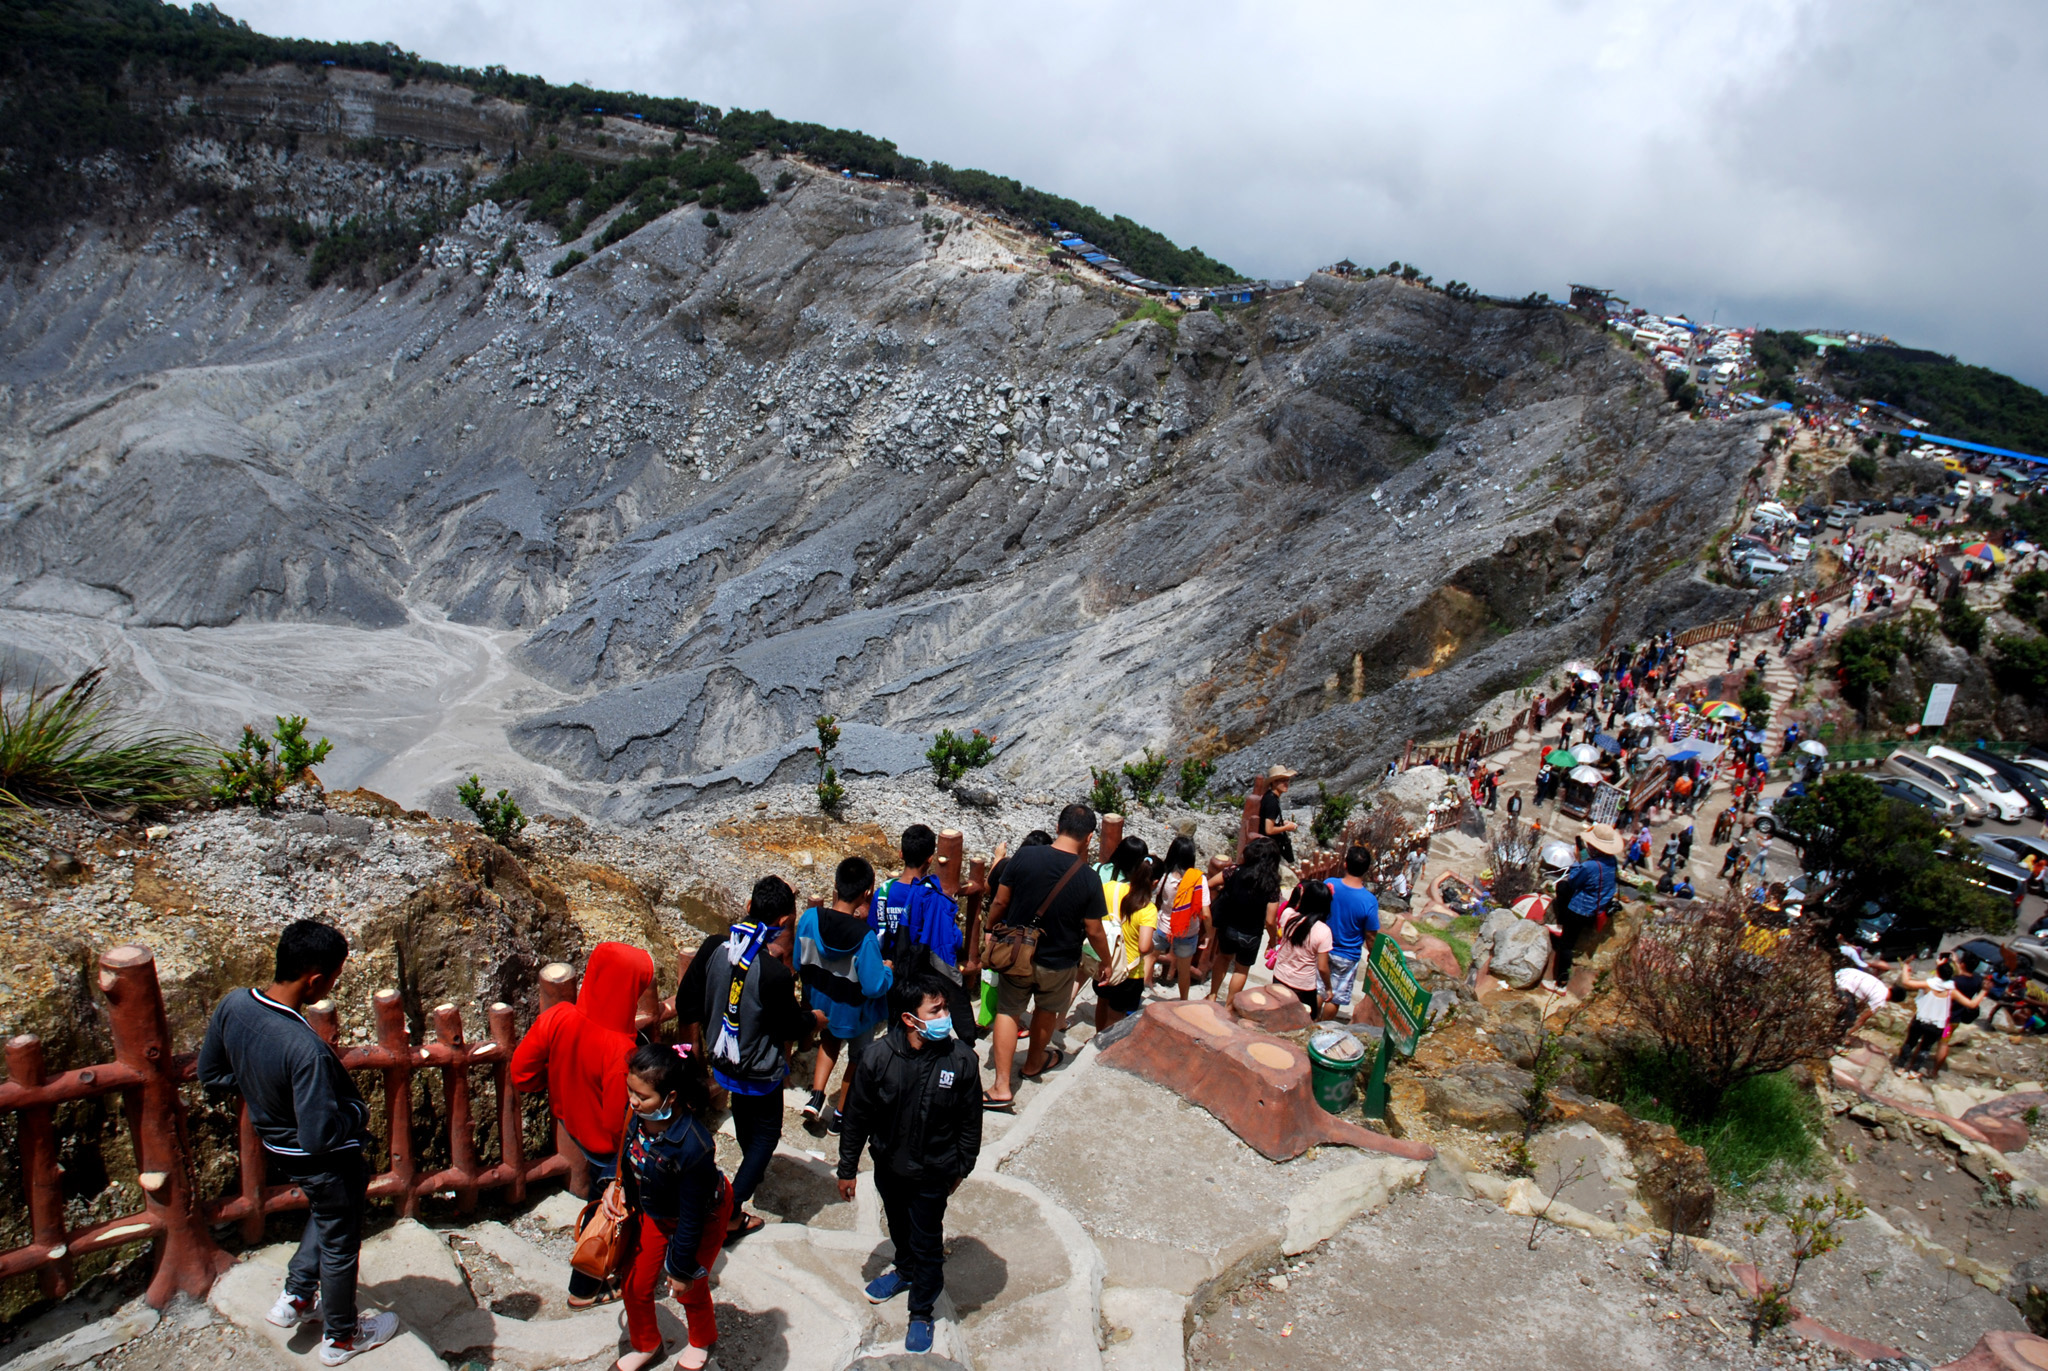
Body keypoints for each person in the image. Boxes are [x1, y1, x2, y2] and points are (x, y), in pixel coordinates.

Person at [198, 921, 398, 1365]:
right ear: (316, 980)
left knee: (328, 1219)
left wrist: (260, 1089)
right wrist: (357, 1113)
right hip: (323, 1161)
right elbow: (319, 1134)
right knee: (341, 1244)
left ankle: (296, 1297)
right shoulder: (302, 1048)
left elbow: (211, 1074)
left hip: (278, 1147)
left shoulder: (234, 1005)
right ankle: (342, 1337)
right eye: (333, 978)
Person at [837, 970, 984, 1356]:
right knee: (899, 1225)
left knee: (927, 1240)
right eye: (935, 1010)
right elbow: (857, 1117)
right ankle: (904, 1269)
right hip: (888, 1167)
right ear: (908, 1019)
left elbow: (971, 1123)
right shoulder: (877, 1058)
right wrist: (847, 1168)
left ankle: (921, 1311)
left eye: (944, 1008)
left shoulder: (962, 1060)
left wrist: (960, 1168)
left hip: (935, 1173)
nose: (944, 1017)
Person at [511, 941, 657, 1299]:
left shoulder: (559, 1016)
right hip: (606, 1147)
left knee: (598, 1199)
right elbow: (614, 1122)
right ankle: (586, 1286)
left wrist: (559, 1083)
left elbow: (521, 1073)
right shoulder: (621, 1050)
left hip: (572, 1124)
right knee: (609, 1212)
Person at [674, 876, 807, 1244]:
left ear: (748, 909)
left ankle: (750, 1173)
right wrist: (815, 1020)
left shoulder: (718, 948)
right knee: (766, 1135)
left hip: (723, 1060)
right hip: (759, 1069)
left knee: (746, 1119)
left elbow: (689, 1000)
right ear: (782, 924)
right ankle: (728, 1210)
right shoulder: (775, 974)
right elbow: (791, 1025)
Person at [978, 804, 1112, 1112]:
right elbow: (1094, 930)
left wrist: (990, 929)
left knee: (1009, 1011)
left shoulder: (1025, 857)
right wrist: (1105, 961)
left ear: (1057, 825)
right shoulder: (1089, 878)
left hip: (1018, 954)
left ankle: (1000, 1086)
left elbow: (1000, 899)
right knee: (1047, 1010)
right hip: (1060, 961)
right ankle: (1033, 1063)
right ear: (1090, 838)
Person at [618, 1043, 731, 1371]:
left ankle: (701, 1340)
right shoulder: (637, 1117)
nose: (633, 1101)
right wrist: (620, 1191)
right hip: (658, 1209)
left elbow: (692, 1217)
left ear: (671, 1097)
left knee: (688, 1288)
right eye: (630, 1091)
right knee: (635, 1283)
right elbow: (628, 1161)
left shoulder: (694, 1147)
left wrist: (681, 1269)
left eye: (642, 1096)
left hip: (700, 1217)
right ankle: (646, 1343)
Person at [797, 857, 895, 1134]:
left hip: (823, 1002)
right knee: (858, 1057)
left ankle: (816, 1097)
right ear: (866, 894)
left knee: (829, 1040)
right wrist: (887, 970)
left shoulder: (809, 919)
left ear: (836, 886)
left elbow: (798, 961)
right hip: (855, 1012)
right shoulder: (864, 937)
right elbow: (874, 986)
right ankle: (841, 1113)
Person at [871, 825, 964, 973]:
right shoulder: (933, 896)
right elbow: (954, 940)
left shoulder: (883, 894)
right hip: (920, 976)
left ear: (901, 854)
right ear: (930, 859)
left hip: (889, 973)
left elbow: (874, 935)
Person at [1541, 823, 1621, 994]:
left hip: (1580, 911)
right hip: (1598, 908)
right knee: (1563, 888)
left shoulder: (1589, 866)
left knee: (1566, 945)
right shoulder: (1611, 861)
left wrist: (1577, 861)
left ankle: (1560, 982)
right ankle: (1562, 924)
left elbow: (1574, 881)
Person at [1208, 837, 1283, 1006]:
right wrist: (1272, 940)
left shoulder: (1234, 871)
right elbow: (1270, 920)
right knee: (1241, 969)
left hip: (1228, 926)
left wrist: (1223, 890)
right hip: (1251, 932)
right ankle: (1229, 1005)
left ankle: (1212, 995)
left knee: (1223, 958)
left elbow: (1210, 884)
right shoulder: (1271, 885)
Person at [1093, 856, 1159, 1030]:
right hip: (1128, 971)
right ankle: (1102, 1048)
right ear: (1155, 882)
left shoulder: (1111, 888)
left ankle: (1096, 1037)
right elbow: (1144, 947)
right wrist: (1153, 947)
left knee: (1102, 1003)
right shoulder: (1147, 908)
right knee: (1116, 1016)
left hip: (1105, 961)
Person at [1323, 844, 1381, 1022]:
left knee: (1318, 988)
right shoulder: (1369, 901)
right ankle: (1321, 1026)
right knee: (1334, 995)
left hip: (1322, 947)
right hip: (1347, 955)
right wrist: (1373, 953)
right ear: (1366, 870)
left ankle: (1310, 1020)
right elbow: (1371, 935)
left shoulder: (1329, 884)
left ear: (1345, 864)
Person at [1150, 833, 1208, 998]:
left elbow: (1156, 895)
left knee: (1149, 958)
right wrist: (1209, 933)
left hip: (1163, 926)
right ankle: (1183, 1001)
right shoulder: (1198, 879)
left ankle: (1142, 989)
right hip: (1187, 931)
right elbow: (1206, 912)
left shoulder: (1165, 875)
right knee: (1184, 970)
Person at [1270, 880, 1334, 1016]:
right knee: (1303, 1019)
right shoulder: (1324, 931)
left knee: (1277, 1015)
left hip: (1280, 976)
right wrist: (1328, 988)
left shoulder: (1288, 915)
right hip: (1303, 986)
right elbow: (1322, 967)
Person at [1895, 958, 1956, 1077]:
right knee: (1925, 1048)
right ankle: (1914, 1071)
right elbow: (1970, 1003)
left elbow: (1907, 982)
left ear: (1938, 973)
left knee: (1910, 1043)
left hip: (1921, 1020)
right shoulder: (1951, 989)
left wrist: (1905, 967)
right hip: (1938, 1024)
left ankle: (1900, 1067)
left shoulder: (1930, 984)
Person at [1931, 956, 1988, 1077]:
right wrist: (1957, 962)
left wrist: (1940, 967)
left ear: (1963, 964)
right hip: (1954, 1020)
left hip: (1940, 1017)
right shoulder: (1977, 980)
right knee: (1944, 1043)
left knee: (1929, 1041)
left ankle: (1916, 1064)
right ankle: (1935, 1071)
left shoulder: (1954, 981)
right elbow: (1965, 976)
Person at [1835, 960, 1890, 1040]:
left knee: (1850, 1007)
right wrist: (1848, 1034)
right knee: (1851, 1018)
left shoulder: (1881, 985)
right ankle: (1838, 1037)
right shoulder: (1880, 1001)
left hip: (1844, 972)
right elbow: (1861, 1019)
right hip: (1843, 984)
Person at [1260, 766, 1299, 866]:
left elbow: (1271, 820)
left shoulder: (1271, 797)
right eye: (1282, 781)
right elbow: (1269, 830)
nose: (1286, 783)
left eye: (1287, 780)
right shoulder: (1272, 801)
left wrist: (1283, 823)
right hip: (1270, 849)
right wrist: (1286, 827)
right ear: (1274, 782)